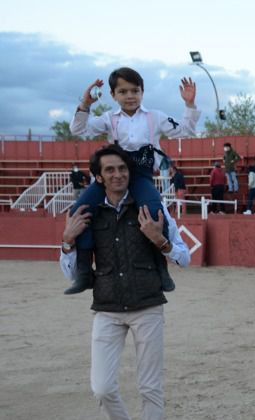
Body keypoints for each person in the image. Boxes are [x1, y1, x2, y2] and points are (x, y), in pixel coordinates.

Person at [59, 145, 190, 420]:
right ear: (98, 177)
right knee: (101, 387)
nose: (118, 175)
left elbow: (185, 257)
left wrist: (160, 240)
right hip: (106, 308)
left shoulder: (151, 208)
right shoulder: (87, 213)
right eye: (110, 170)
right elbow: (70, 271)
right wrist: (67, 242)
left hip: (147, 306)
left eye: (123, 169)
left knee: (150, 389)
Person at [67, 67, 199, 295]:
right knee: (80, 210)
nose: (130, 96)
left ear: (142, 92)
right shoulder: (109, 118)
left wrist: (189, 105)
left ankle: (161, 268)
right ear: (113, 95)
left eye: (135, 91)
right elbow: (78, 128)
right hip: (114, 174)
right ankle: (84, 272)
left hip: (140, 175)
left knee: (155, 209)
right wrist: (85, 104)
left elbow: (186, 130)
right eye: (123, 91)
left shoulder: (154, 117)